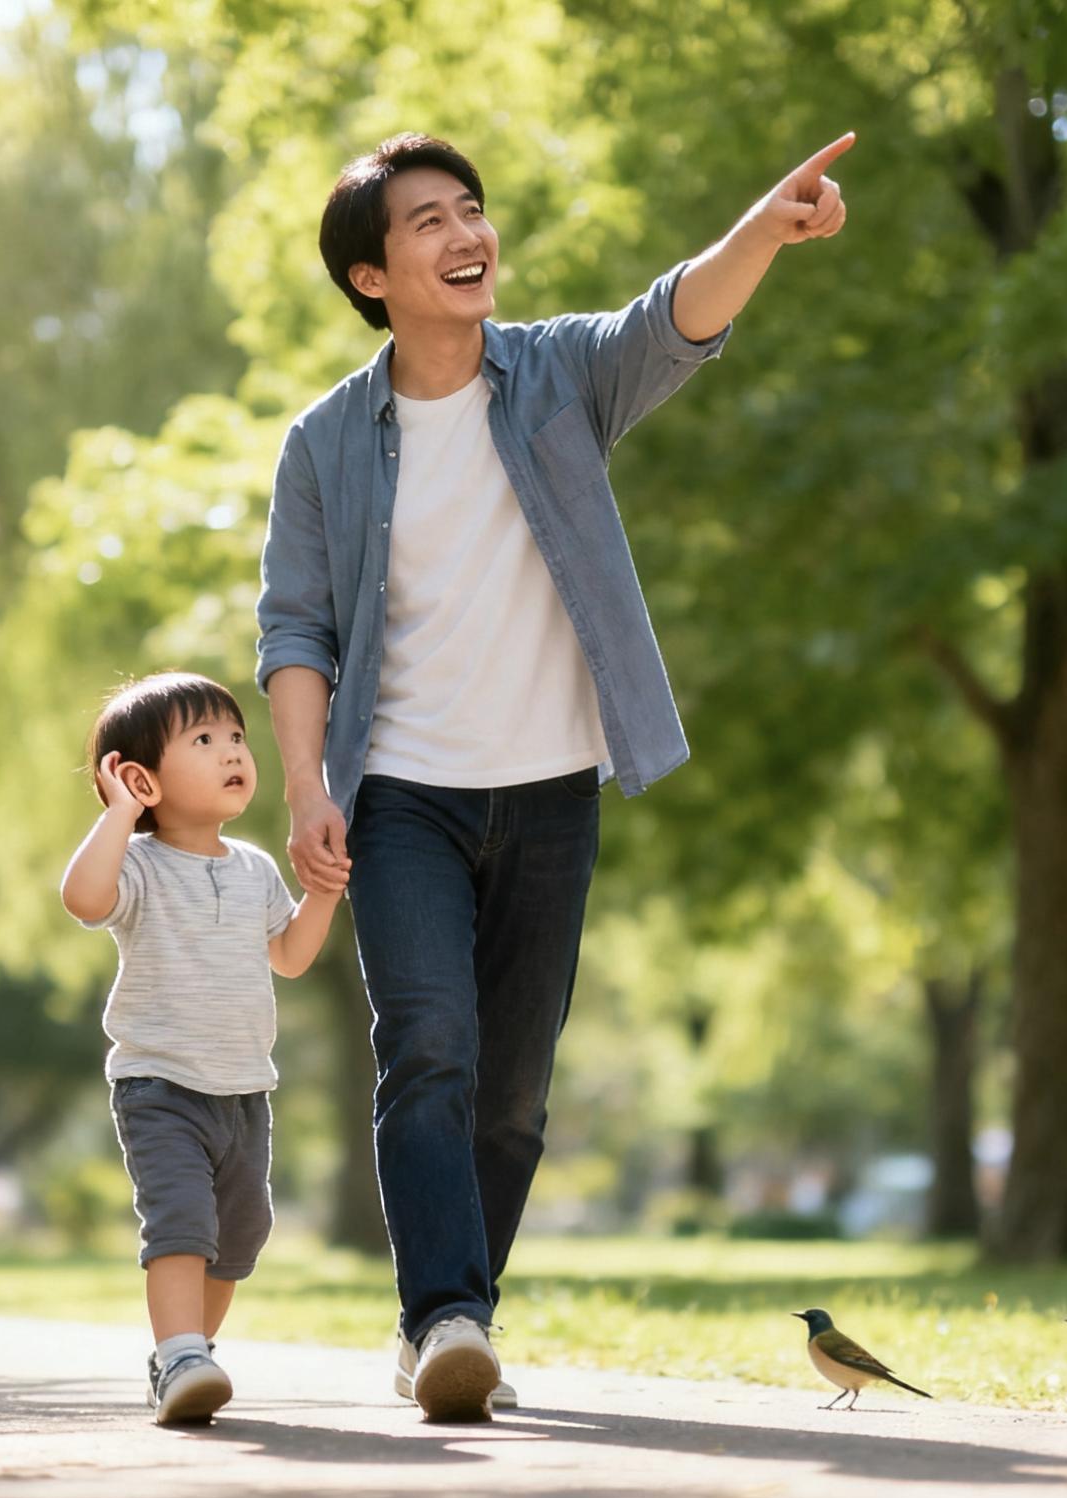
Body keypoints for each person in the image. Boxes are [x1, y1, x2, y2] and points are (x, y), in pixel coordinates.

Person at [256, 130, 850, 1421]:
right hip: (401, 791)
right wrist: (306, 784)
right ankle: (449, 1318)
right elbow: (296, 629)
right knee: (429, 1046)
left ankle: (449, 1311)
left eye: (472, 211)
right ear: (370, 275)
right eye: (428, 222)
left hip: (550, 789)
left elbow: (674, 317)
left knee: (515, 1093)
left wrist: (766, 223)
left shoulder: (557, 378)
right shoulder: (324, 445)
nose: (467, 235)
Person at [60, 670, 347, 1426]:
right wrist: (120, 815)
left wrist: (323, 891)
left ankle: (186, 1357)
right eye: (204, 740)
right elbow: (83, 900)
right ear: (141, 778)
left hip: (245, 1089)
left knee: (241, 1233)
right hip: (160, 1086)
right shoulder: (139, 867)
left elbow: (288, 955)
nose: (233, 753)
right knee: (182, 1222)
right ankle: (183, 1352)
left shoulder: (252, 867)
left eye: (237, 738)